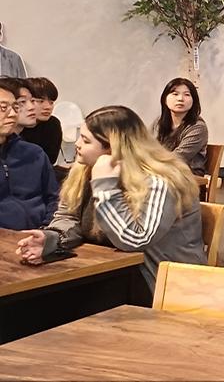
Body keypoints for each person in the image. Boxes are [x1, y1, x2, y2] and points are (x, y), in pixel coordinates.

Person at [16, 106, 204, 299]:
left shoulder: (159, 181)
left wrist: (106, 186)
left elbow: (135, 240)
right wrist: (52, 238)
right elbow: (69, 215)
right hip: (110, 273)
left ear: (112, 149)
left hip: (159, 285)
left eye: (86, 140)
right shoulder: (84, 169)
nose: (78, 144)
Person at [0, 78, 59, 230]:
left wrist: (47, 231)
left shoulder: (34, 153)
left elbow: (54, 199)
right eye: (3, 108)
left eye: (15, 107)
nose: (12, 114)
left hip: (38, 235)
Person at [152, 78, 209, 177]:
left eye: (186, 94)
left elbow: (178, 157)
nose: (180, 99)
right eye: (175, 94)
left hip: (187, 177)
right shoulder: (159, 122)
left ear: (194, 100)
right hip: (162, 172)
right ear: (165, 99)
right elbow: (148, 146)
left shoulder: (198, 127)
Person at [22, 77, 63, 163]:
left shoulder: (53, 124)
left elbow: (50, 160)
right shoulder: (14, 125)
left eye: (51, 102)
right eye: (40, 101)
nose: (48, 107)